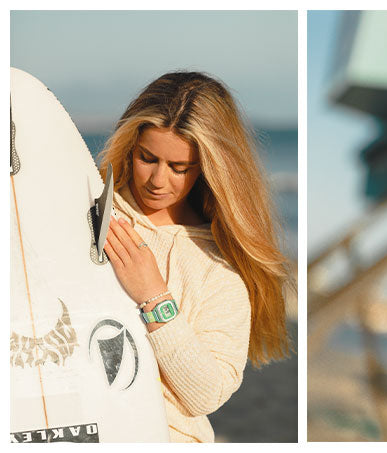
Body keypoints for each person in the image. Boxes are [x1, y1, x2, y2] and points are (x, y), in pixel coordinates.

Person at [98, 71, 293, 442]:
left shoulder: (217, 267)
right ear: (130, 145)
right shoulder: (90, 206)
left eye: (178, 167)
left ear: (208, 166)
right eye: (147, 158)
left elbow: (205, 395)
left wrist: (154, 297)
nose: (158, 180)